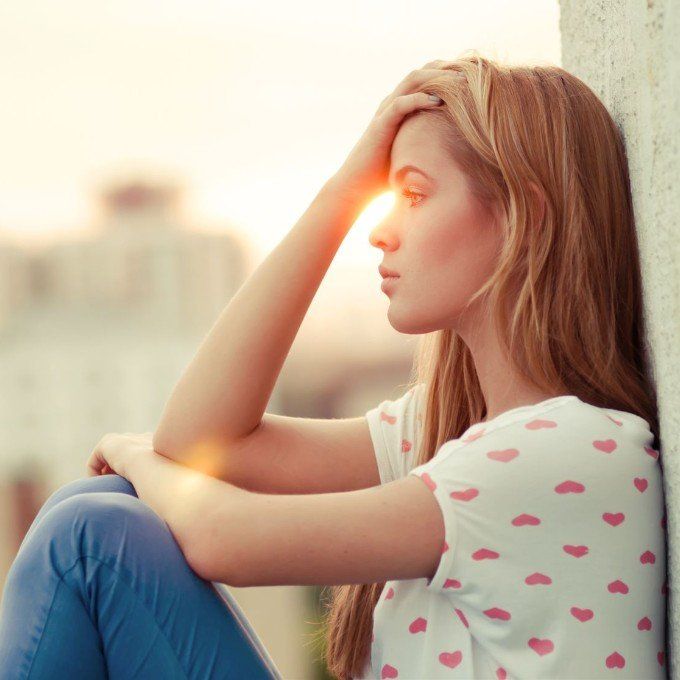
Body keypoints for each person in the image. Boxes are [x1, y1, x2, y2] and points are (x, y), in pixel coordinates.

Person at [0, 51, 668, 680]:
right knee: (97, 504)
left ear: (524, 217)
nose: (378, 228)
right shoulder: (447, 431)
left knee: (91, 537)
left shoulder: (574, 451)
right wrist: (342, 190)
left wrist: (131, 451)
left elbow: (220, 537)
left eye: (412, 194)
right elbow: (203, 442)